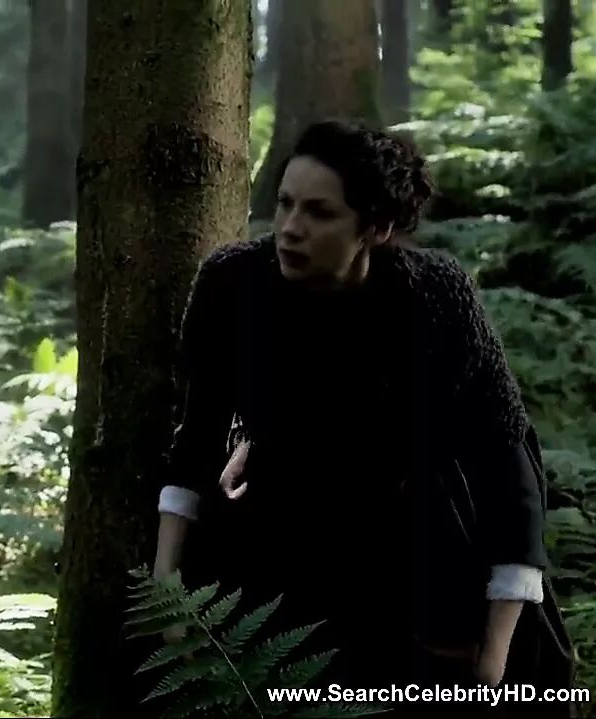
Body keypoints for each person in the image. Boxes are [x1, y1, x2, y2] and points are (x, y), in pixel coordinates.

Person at [151, 119, 574, 717]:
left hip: (414, 533)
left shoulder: (434, 294)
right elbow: (197, 435)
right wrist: (167, 587)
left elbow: (505, 455)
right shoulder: (233, 282)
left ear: (374, 227)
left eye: (319, 213)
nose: (290, 228)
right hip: (277, 526)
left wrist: (495, 652)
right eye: (285, 204)